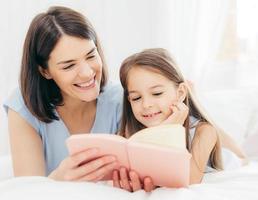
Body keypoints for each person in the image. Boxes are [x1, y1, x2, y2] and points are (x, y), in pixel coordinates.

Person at [3, 6, 155, 192]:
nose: (87, 73)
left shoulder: (120, 99)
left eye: (91, 55)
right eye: (68, 66)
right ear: (45, 71)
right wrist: (57, 179)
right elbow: (26, 190)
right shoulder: (23, 106)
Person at [112, 48, 246, 190]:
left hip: (228, 159)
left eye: (157, 93)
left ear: (180, 92)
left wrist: (169, 130)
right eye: (136, 98)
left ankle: (194, 98)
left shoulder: (204, 132)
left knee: (242, 158)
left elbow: (189, 179)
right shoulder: (131, 134)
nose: (146, 104)